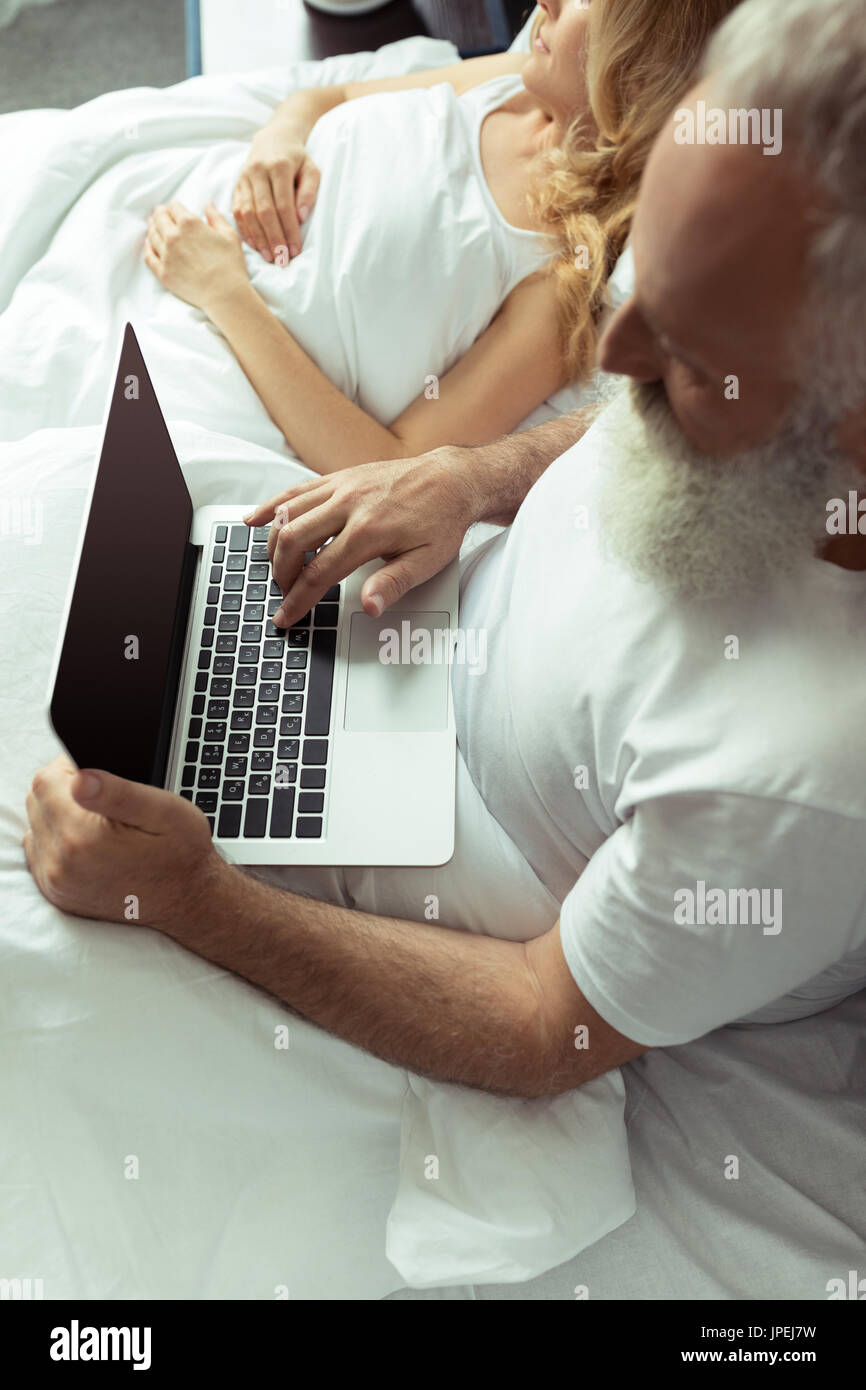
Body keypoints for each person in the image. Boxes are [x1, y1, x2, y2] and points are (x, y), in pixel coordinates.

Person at [25, 0, 866, 1099]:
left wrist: (196, 897)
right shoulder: (754, 372)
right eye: (636, 285)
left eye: (685, 359)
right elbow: (615, 411)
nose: (614, 355)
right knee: (59, 544)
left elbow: (537, 1026)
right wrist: (474, 477)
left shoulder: (803, 783)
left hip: (494, 859)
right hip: (438, 627)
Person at [142, 1, 737, 475]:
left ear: (642, 73)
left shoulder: (563, 277)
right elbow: (332, 95)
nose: (546, 2)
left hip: (216, 336)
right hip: (189, 218)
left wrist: (225, 293)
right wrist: (281, 138)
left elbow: (392, 464)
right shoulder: (520, 83)